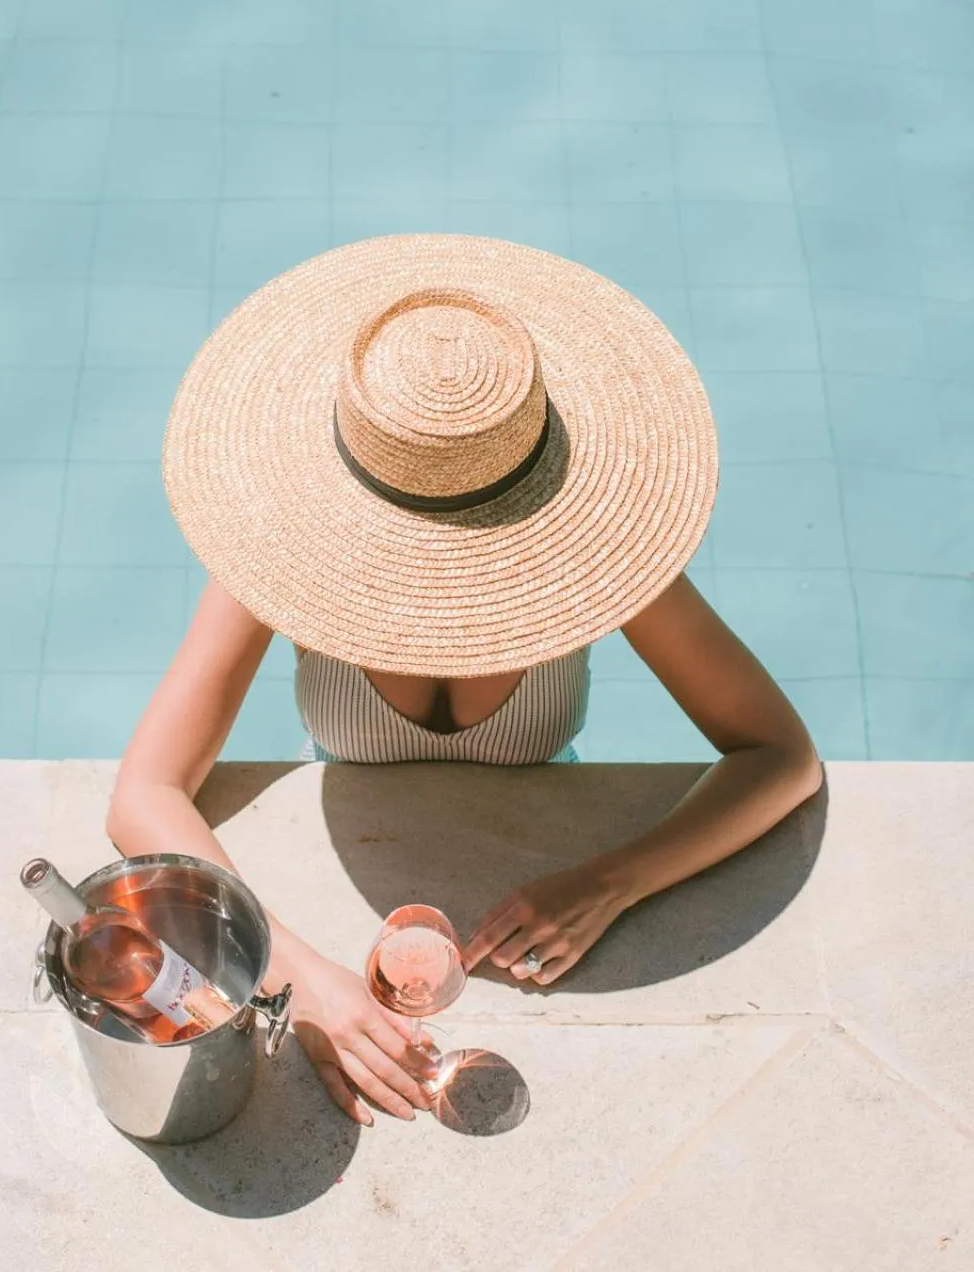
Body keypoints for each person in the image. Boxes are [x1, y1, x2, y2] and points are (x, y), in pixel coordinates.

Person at [108, 234, 822, 1128]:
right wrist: (298, 973)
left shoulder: (595, 557)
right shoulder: (280, 551)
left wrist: (616, 879)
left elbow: (782, 757)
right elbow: (143, 795)